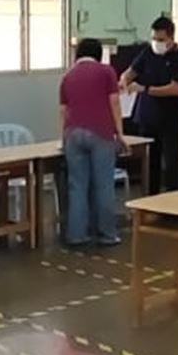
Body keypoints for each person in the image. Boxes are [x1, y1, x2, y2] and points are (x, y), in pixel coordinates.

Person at [57, 37, 126, 249]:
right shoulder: (106, 72)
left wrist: (64, 137)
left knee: (77, 186)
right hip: (100, 133)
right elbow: (114, 102)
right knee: (103, 184)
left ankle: (77, 235)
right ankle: (107, 234)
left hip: (73, 134)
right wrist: (120, 134)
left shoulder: (67, 76)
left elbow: (63, 110)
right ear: (98, 55)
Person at [122, 15, 178, 191]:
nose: (156, 43)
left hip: (170, 118)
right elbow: (130, 72)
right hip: (148, 117)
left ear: (171, 38)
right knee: (150, 161)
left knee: (171, 161)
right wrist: (124, 81)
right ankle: (151, 198)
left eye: (161, 39)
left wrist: (145, 89)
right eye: (154, 38)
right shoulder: (148, 53)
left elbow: (175, 89)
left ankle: (174, 200)